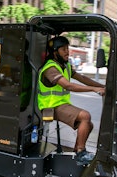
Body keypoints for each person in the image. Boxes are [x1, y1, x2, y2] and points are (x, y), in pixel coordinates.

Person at [38, 36, 105, 166]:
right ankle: (81, 153)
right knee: (85, 116)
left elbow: (82, 78)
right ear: (55, 52)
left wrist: (102, 87)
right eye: (63, 49)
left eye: (67, 48)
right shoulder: (50, 68)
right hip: (48, 107)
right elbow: (68, 86)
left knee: (88, 125)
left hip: (59, 105)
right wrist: (94, 89)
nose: (67, 52)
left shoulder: (65, 66)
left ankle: (76, 150)